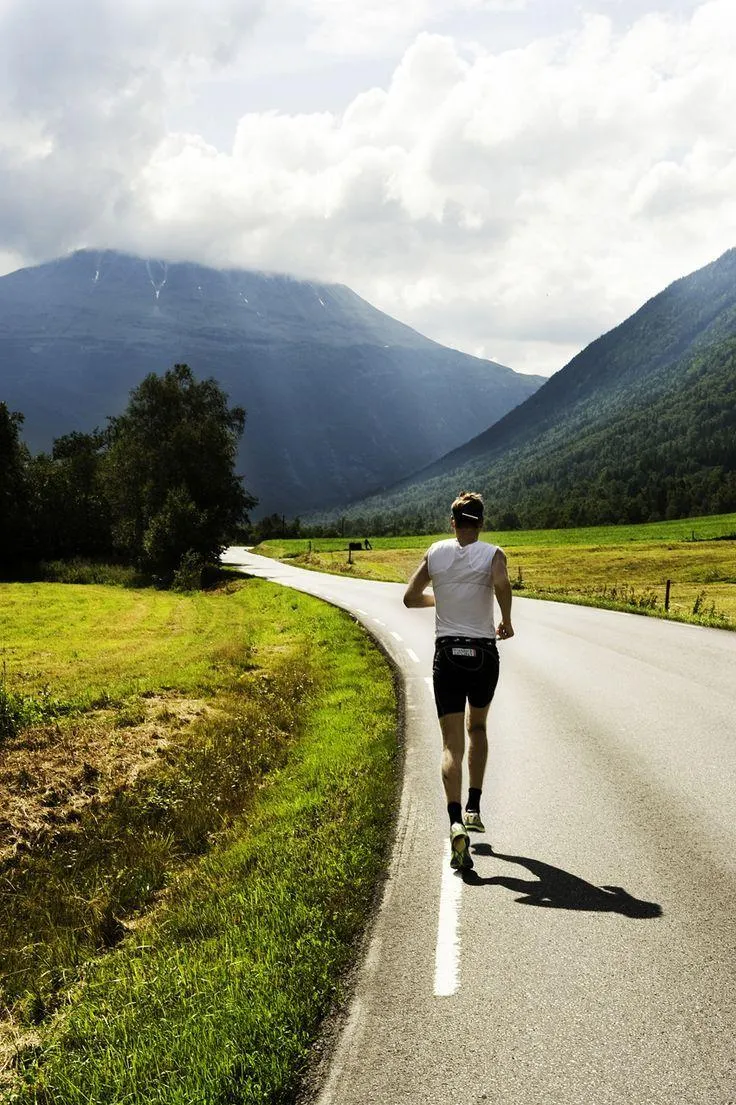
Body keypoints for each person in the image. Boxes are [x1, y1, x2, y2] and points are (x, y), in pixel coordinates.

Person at [403, 491, 514, 870]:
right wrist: (507, 621)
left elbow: (409, 597)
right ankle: (473, 807)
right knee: (477, 728)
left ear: (453, 522)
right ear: (481, 522)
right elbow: (501, 583)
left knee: (450, 744)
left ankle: (453, 823)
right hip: (482, 653)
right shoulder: (493, 554)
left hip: (447, 653)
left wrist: (441, 599)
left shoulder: (435, 552)